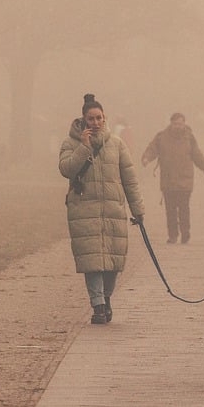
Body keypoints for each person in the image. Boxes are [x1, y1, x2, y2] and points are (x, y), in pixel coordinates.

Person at [59, 94, 145, 325]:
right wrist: (84, 148)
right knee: (93, 261)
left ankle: (106, 298)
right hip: (84, 210)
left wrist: (138, 209)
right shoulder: (70, 143)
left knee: (113, 262)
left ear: (104, 118)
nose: (95, 123)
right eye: (91, 119)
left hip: (112, 210)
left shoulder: (116, 144)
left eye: (99, 118)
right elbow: (66, 169)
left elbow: (130, 179)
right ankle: (97, 305)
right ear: (83, 120)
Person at [141, 112, 204, 244]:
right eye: (175, 123)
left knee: (184, 209)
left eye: (180, 123)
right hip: (168, 181)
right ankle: (173, 235)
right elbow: (152, 149)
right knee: (170, 210)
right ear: (171, 123)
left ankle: (185, 233)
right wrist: (146, 158)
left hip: (185, 180)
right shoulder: (161, 137)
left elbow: (197, 155)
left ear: (184, 123)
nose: (178, 126)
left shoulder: (189, 138)